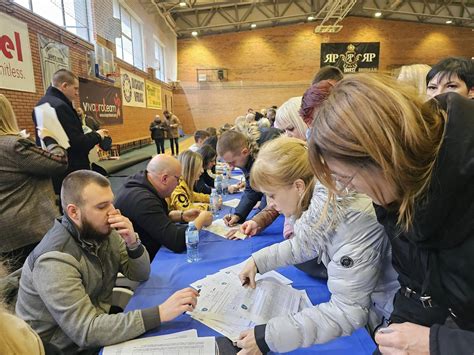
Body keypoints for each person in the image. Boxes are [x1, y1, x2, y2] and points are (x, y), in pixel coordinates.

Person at [308, 73, 474, 354]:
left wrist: (438, 344)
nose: (349, 189)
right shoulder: (396, 192)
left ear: (382, 158)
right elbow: (416, 288)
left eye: (347, 179)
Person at [236, 137, 399, 354]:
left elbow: (347, 311)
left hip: (390, 318)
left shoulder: (352, 224)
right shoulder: (323, 208)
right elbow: (302, 245)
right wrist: (259, 261)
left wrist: (269, 337)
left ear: (298, 186)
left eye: (271, 195)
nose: (270, 204)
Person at [15, 170, 200, 353]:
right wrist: (160, 313)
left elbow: (140, 274)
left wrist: (132, 242)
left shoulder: (105, 231)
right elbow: (86, 332)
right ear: (73, 212)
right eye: (102, 206)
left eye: (111, 202)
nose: (113, 212)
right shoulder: (54, 261)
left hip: (97, 326)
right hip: (61, 348)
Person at [0, 94, 67, 271]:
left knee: (16, 284)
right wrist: (50, 138)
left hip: (6, 233)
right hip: (30, 229)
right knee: (45, 278)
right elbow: (59, 162)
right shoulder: (14, 146)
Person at [114, 155, 212, 259]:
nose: (178, 184)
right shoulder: (144, 200)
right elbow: (177, 242)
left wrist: (181, 216)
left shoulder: (144, 182)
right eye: (178, 179)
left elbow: (153, 219)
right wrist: (201, 220)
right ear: (164, 178)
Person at [32, 69, 109, 193]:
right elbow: (76, 144)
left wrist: (75, 118)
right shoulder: (60, 106)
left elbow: (58, 137)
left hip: (53, 166)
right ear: (64, 86)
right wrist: (97, 136)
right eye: (75, 88)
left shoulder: (42, 104)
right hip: (71, 169)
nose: (77, 93)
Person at [217, 126, 280, 226]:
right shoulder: (245, 159)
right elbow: (252, 189)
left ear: (245, 152)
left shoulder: (264, 159)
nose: (231, 167)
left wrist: (255, 221)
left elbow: (268, 193)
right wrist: (238, 214)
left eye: (232, 162)